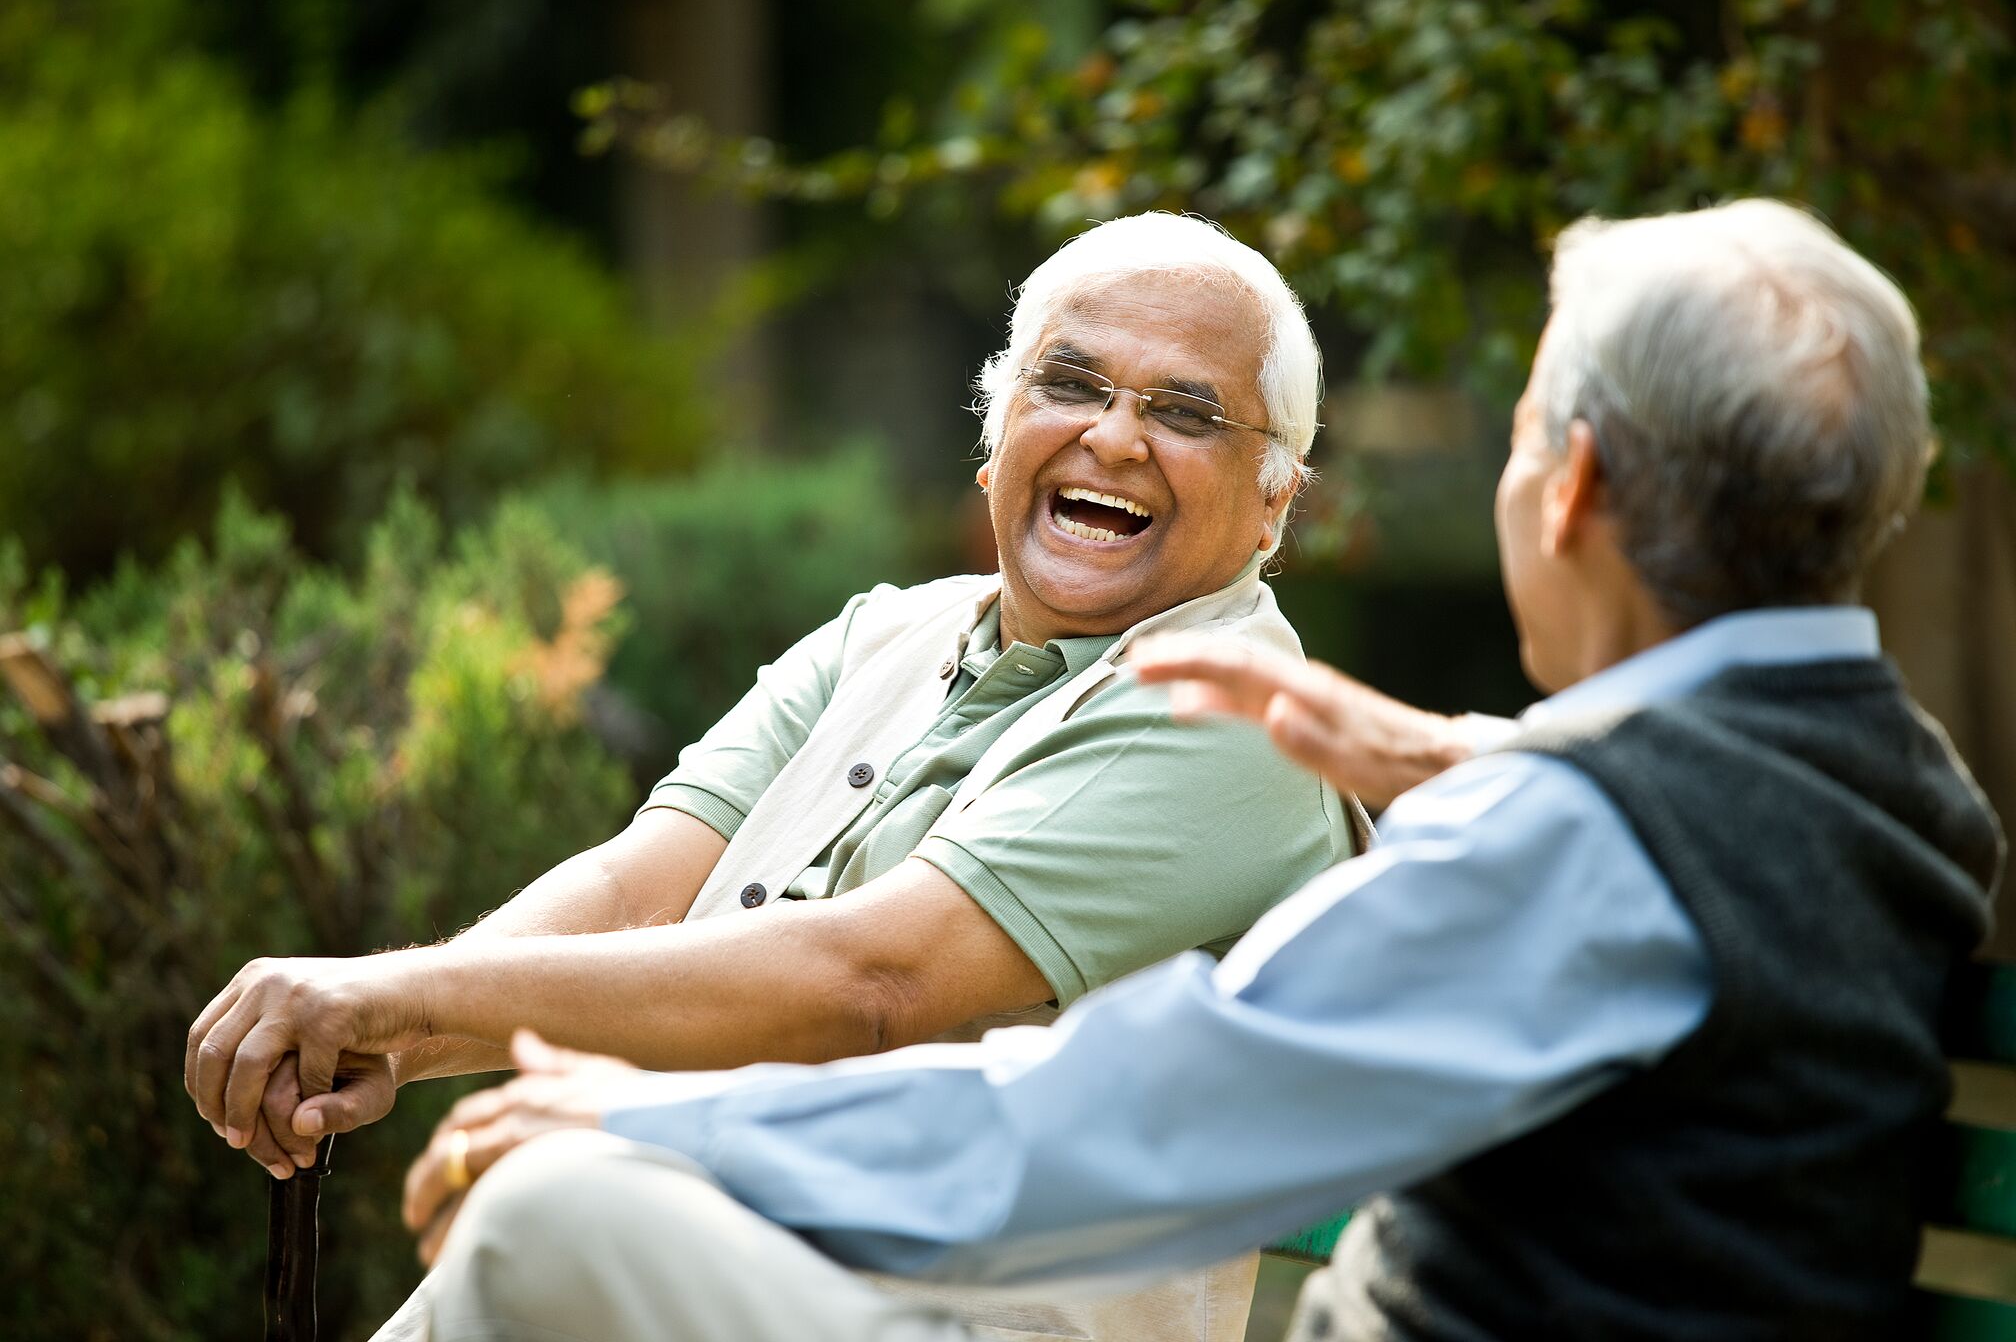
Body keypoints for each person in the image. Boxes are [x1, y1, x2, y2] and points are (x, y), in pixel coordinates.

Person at [392, 199, 2003, 1342]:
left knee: (556, 1216)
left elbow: (1132, 1124)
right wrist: (1481, 757)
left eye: (1516, 434)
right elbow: (1687, 847)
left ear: (1567, 485)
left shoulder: (1583, 844)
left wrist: (655, 1124)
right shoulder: (1894, 792)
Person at [185, 212, 1382, 1342]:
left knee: (551, 1212)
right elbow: (632, 890)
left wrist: (403, 1005)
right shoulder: (883, 636)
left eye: (1185, 410)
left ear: (1274, 501)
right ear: (994, 430)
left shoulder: (1235, 711)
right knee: (550, 1213)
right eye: (1070, 384)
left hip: (981, 1316)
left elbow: (873, 979)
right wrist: (388, 1039)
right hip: (742, 1259)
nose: (1113, 437)